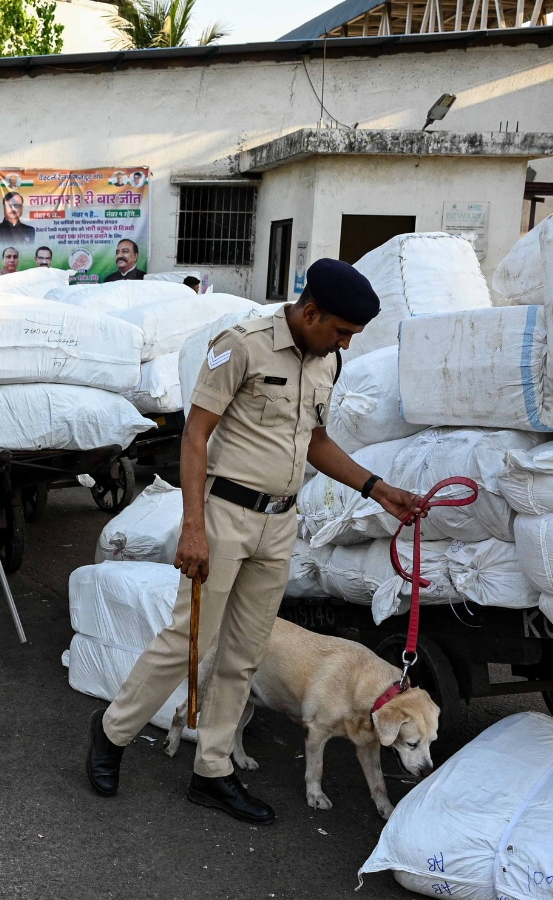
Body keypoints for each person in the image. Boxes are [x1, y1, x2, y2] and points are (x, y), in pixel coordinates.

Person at [83, 258, 422, 825]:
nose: (343, 343)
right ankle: (112, 733)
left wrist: (376, 487)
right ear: (310, 311)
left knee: (245, 654)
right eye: (339, 331)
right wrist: (192, 526)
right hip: (224, 516)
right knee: (188, 637)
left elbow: (314, 440)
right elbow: (196, 434)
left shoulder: (326, 360)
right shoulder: (241, 345)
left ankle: (212, 770)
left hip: (279, 522)